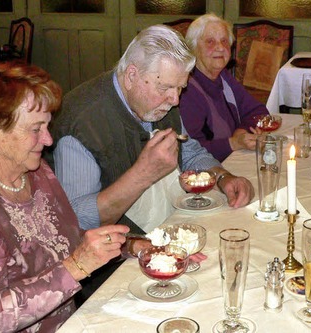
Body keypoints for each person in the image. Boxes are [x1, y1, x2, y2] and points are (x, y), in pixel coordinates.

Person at [46, 25, 254, 303]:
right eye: (165, 87)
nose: (175, 100)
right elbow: (77, 223)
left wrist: (223, 177)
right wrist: (142, 174)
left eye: (180, 88)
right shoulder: (83, 122)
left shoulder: (157, 101)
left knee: (236, 270)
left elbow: (188, 150)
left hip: (164, 234)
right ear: (132, 75)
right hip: (111, 272)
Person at [0, 62, 129, 331]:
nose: (49, 140)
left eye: (47, 126)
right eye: (35, 129)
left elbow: (66, 237)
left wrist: (128, 246)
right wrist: (76, 266)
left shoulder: (36, 170)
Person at [180, 13, 268, 162]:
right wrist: (232, 143)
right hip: (205, 174)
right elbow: (189, 151)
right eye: (210, 41)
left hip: (231, 160)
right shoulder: (187, 89)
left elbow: (259, 112)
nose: (220, 48)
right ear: (194, 48)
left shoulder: (223, 77)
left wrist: (240, 133)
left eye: (224, 41)